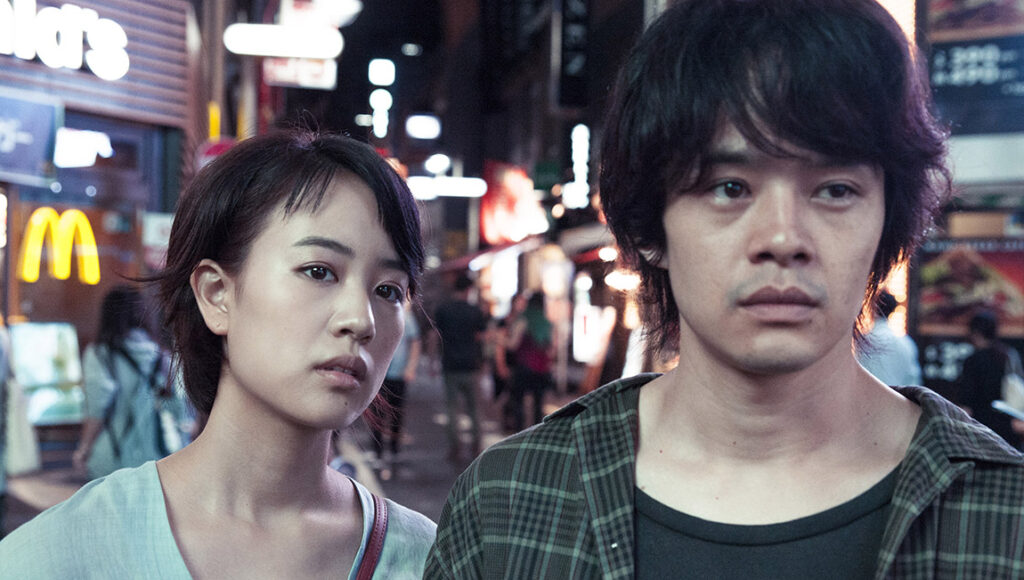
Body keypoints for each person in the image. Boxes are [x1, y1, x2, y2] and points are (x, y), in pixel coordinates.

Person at [426, 1, 1024, 578]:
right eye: (730, 187)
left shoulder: (1002, 514)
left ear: (887, 219)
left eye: (836, 189)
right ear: (647, 227)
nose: (784, 238)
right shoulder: (509, 502)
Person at [0, 130, 436, 577]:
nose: (360, 320)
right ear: (216, 294)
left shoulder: (430, 559)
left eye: (388, 290)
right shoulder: (62, 553)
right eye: (319, 271)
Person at [72, 285, 185, 480]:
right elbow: (178, 409)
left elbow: (98, 405)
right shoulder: (162, 357)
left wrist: (84, 448)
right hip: (158, 457)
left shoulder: (100, 354)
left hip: (111, 455)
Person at [433, 272, 488, 460]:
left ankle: (454, 446)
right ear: (468, 290)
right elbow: (481, 338)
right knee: (474, 408)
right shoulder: (475, 311)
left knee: (451, 408)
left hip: (450, 365)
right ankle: (476, 446)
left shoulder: (443, 310)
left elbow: (435, 337)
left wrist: (433, 361)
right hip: (471, 365)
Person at [959, 310, 1023, 447]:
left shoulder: (972, 361)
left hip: (981, 427)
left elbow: (966, 403)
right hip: (1009, 426)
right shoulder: (1008, 355)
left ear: (975, 333)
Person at [371, 302, 422, 463]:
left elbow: (415, 342)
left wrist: (411, 366)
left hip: (398, 372)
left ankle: (394, 447)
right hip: (378, 372)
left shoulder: (406, 316)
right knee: (376, 414)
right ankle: (377, 451)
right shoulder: (374, 311)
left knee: (396, 412)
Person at [506, 291, 555, 432]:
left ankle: (519, 435)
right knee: (538, 406)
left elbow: (513, 345)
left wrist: (499, 339)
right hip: (542, 369)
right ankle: (536, 434)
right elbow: (551, 350)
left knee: (519, 404)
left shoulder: (523, 320)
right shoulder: (547, 323)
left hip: (523, 367)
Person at [856, 290, 922, 387]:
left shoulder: (863, 342)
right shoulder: (906, 344)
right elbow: (914, 381)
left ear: (873, 307)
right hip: (896, 400)